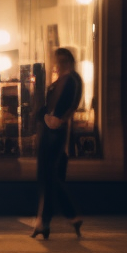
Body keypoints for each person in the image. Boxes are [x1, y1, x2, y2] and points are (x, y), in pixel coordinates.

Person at [32, 47, 85, 239]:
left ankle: (49, 221)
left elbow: (73, 104)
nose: (60, 63)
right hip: (49, 129)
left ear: (70, 61)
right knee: (48, 176)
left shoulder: (72, 79)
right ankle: (49, 221)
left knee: (50, 176)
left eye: (64, 60)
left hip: (57, 130)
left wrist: (61, 120)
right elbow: (48, 106)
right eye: (58, 60)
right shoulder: (60, 81)